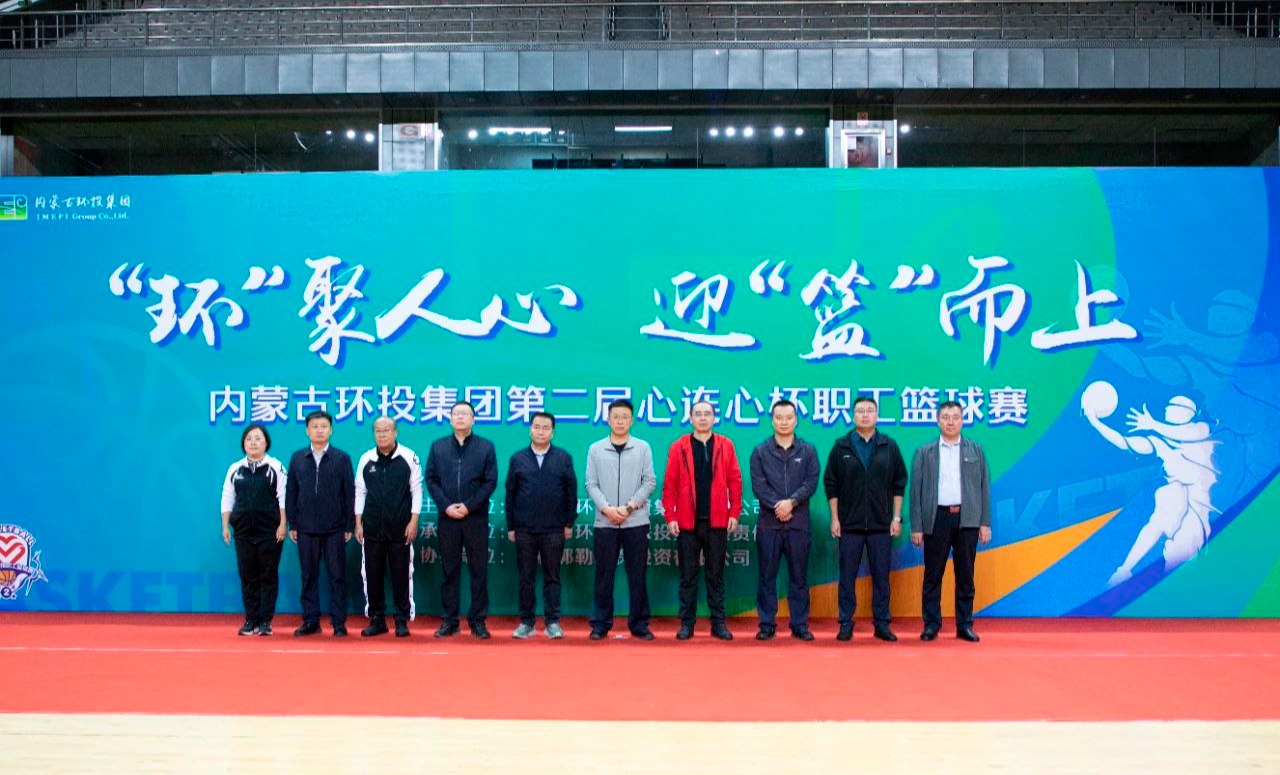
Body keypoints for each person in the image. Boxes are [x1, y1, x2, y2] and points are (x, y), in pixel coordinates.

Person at [824, 396, 907, 642]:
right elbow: (831, 484)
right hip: (849, 524)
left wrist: (896, 518)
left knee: (881, 577)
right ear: (853, 415)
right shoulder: (841, 447)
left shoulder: (889, 446)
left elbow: (899, 483)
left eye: (870, 410)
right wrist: (835, 518)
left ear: (877, 415)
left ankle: (881, 624)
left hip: (882, 524)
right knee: (847, 577)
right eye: (860, 411)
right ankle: (845, 623)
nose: (865, 415)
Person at [908, 400, 992, 643]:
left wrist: (984, 523)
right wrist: (917, 526)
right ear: (938, 420)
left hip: (967, 519)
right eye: (945, 417)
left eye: (955, 417)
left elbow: (984, 488)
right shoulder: (925, 453)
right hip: (937, 519)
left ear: (962, 420)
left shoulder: (975, 450)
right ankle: (931, 624)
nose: (950, 422)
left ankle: (964, 625)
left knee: (965, 575)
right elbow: (916, 492)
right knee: (933, 575)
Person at [663, 400, 743, 641]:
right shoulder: (678, 446)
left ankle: (718, 624)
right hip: (687, 522)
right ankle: (687, 624)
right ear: (690, 418)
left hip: (717, 522)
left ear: (714, 418)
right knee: (688, 576)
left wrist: (734, 512)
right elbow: (669, 485)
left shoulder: (726, 444)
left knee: (715, 575)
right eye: (698, 414)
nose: (703, 417)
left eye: (707, 413)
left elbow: (735, 481)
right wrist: (670, 515)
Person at [585, 398, 658, 641]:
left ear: (632, 420)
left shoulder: (642, 447)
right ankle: (600, 624)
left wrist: (628, 507)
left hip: (635, 521)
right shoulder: (596, 449)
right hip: (605, 522)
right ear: (607, 419)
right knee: (603, 574)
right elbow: (591, 484)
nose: (619, 421)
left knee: (637, 574)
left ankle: (639, 624)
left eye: (624, 417)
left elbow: (650, 481)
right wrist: (607, 509)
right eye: (615, 417)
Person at [425, 401, 498, 639]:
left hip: (475, 518)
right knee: (449, 571)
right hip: (447, 518)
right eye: (456, 414)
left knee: (478, 570)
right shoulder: (438, 447)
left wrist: (468, 506)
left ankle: (478, 620)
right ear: (450, 419)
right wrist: (446, 506)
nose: (460, 417)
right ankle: (450, 620)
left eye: (465, 414)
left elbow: (490, 482)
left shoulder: (486, 447)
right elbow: (431, 479)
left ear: (473, 419)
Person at [748, 399, 820, 641]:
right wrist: (778, 506)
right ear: (772, 421)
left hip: (798, 524)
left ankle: (799, 624)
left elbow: (811, 481)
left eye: (789, 418)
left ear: (796, 420)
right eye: (779, 418)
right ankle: (767, 623)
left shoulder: (808, 451)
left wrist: (792, 503)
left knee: (799, 578)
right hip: (769, 525)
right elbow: (759, 485)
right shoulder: (760, 452)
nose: (784, 422)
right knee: (766, 577)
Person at [504, 412, 578, 639]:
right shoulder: (518, 458)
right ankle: (526, 622)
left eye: (546, 428)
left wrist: (569, 522)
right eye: (536, 427)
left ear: (552, 432)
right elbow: (510, 494)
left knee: (552, 577)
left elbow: (571, 492)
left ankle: (552, 622)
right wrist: (511, 526)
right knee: (526, 577)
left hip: (554, 528)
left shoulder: (563, 457)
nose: (541, 431)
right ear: (530, 430)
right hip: (524, 528)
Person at [286, 411, 356, 637]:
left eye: (323, 426)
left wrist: (349, 525)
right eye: (314, 426)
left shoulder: (341, 458)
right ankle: (311, 620)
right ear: (307, 431)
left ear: (331, 430)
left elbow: (349, 493)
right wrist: (293, 524)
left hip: (335, 528)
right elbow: (291, 492)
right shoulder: (298, 458)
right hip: (305, 528)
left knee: (337, 576)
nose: (319, 430)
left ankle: (338, 622)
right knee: (308, 576)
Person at [354, 417, 422, 638]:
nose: (382, 434)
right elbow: (360, 492)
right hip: (372, 528)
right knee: (372, 574)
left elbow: (416, 491)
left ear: (395, 432)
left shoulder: (409, 457)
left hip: (400, 528)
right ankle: (377, 619)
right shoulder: (366, 459)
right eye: (378, 431)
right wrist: (358, 522)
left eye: (386, 430)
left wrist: (413, 521)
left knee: (401, 575)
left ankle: (401, 619)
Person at [220, 423, 288, 636]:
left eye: (258, 438)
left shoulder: (275, 467)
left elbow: (283, 497)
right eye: (249, 439)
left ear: (266, 442)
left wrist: (283, 524)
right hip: (243, 533)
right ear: (243, 444)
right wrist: (225, 525)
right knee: (248, 577)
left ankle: (265, 621)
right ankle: (251, 620)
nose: (253, 442)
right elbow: (227, 497)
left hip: (270, 532)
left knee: (268, 576)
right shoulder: (235, 469)